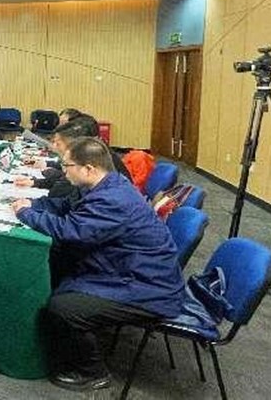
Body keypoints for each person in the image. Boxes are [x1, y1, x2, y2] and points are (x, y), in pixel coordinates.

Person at [11, 138, 184, 392]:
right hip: (127, 268)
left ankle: (93, 372)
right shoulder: (103, 185)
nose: (63, 171)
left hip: (148, 287)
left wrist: (25, 214)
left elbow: (70, 231)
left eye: (67, 165)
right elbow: (67, 208)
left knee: (63, 307)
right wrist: (33, 204)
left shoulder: (112, 199)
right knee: (59, 264)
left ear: (89, 168)